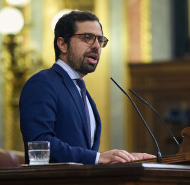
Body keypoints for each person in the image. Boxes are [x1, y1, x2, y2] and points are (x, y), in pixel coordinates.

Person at [19, 11, 155, 165]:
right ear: (62, 44)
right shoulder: (42, 84)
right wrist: (97, 158)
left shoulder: (82, 92)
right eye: (87, 38)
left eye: (100, 40)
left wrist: (122, 159)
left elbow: (81, 152)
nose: (97, 46)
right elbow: (39, 143)